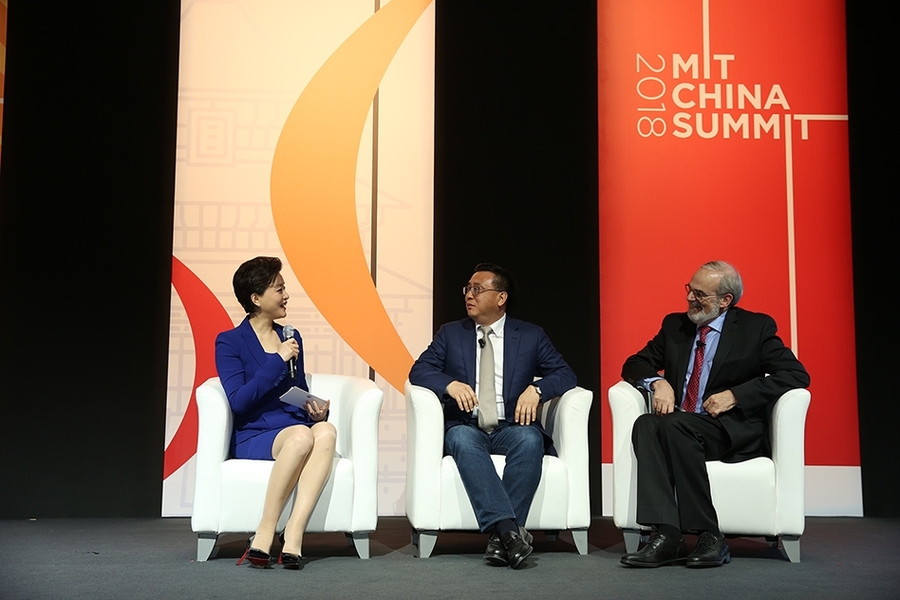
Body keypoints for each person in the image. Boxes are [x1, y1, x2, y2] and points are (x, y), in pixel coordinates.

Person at [619, 261, 810, 568]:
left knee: (674, 425)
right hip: (682, 423)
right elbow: (634, 364)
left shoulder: (755, 328)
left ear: (725, 300)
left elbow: (795, 374)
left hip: (726, 429)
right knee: (645, 424)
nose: (690, 299)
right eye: (689, 290)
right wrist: (659, 382)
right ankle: (668, 536)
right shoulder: (675, 326)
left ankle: (710, 535)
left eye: (700, 294)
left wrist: (737, 395)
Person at [409, 263, 577, 569]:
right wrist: (449, 383)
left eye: (477, 289)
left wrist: (537, 391)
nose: (469, 295)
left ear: (501, 298)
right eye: (468, 289)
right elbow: (419, 370)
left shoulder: (529, 335)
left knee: (530, 440)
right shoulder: (451, 333)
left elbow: (565, 374)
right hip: (467, 423)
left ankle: (502, 538)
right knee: (460, 437)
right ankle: (510, 533)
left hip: (511, 425)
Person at [215, 256, 336, 570]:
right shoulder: (229, 342)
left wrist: (313, 408)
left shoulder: (290, 337)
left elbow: (295, 390)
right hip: (255, 433)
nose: (286, 296)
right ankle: (265, 532)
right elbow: (239, 401)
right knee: (299, 437)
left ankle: (294, 533)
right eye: (279, 289)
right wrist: (277, 360)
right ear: (255, 299)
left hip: (293, 426)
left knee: (326, 431)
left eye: (285, 288)